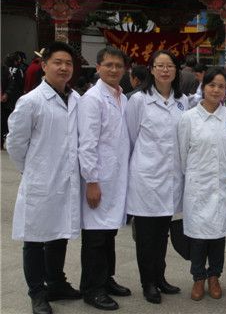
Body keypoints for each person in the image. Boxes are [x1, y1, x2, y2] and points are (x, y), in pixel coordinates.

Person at [6, 42, 82, 314]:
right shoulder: (31, 101)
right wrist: (32, 170)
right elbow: (15, 144)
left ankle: (57, 283)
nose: (63, 68)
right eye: (57, 62)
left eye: (68, 63)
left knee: (59, 234)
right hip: (41, 181)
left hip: (65, 180)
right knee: (35, 239)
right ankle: (37, 293)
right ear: (45, 65)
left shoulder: (76, 99)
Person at [126, 50, 189, 304]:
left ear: (176, 70)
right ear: (151, 69)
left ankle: (160, 277)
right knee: (146, 236)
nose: (164, 70)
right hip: (146, 178)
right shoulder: (138, 100)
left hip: (171, 178)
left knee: (163, 232)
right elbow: (130, 138)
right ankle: (148, 282)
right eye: (159, 65)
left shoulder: (183, 101)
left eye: (169, 66)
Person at [77, 47, 132, 311]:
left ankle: (106, 279)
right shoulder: (92, 99)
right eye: (108, 65)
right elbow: (87, 144)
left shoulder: (123, 97)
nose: (113, 69)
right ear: (98, 67)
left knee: (109, 233)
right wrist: (91, 181)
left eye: (118, 66)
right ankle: (92, 288)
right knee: (96, 237)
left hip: (116, 178)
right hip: (99, 179)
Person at [178, 67, 226, 301]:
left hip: (222, 186)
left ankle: (214, 277)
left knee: (218, 236)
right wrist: (195, 177)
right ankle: (198, 277)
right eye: (212, 85)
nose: (216, 90)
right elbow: (182, 155)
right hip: (198, 186)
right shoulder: (189, 118)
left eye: (221, 86)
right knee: (198, 237)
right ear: (203, 87)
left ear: (225, 90)